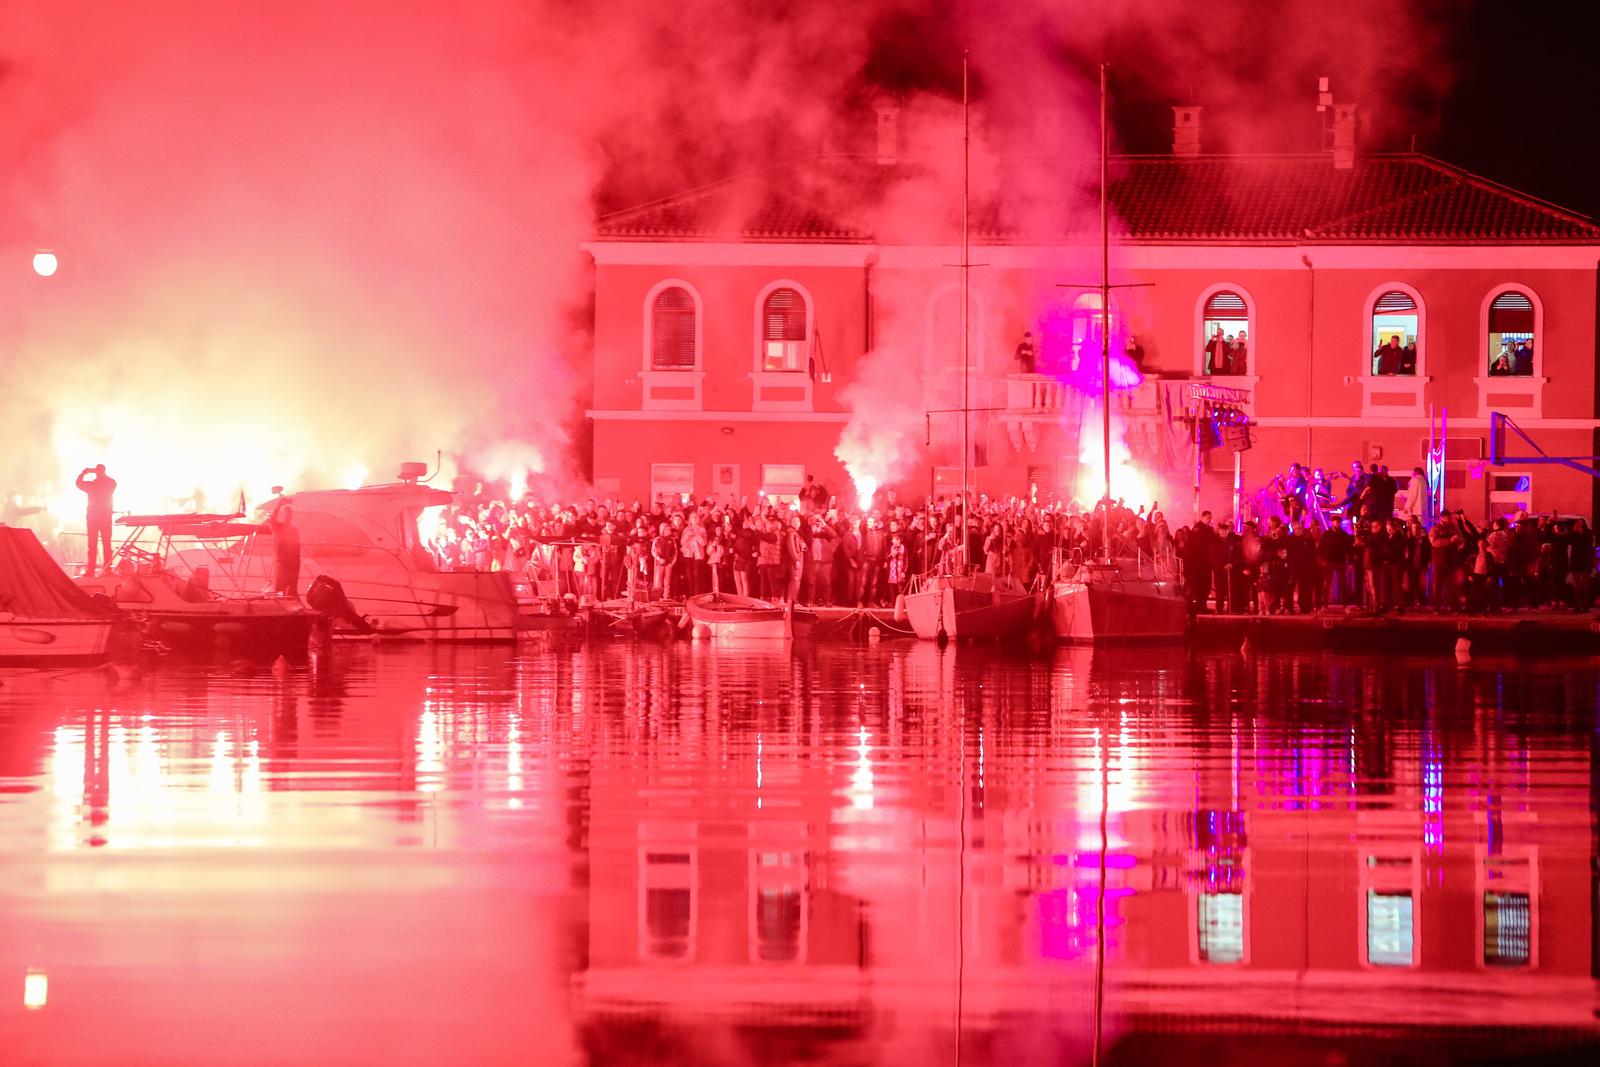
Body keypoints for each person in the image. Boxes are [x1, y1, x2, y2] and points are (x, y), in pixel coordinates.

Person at [76, 464, 117, 577]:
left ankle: (91, 570)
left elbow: (79, 483)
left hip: (93, 519)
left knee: (93, 545)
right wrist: (100, 473)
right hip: (104, 518)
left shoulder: (92, 485)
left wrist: (84, 473)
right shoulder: (110, 483)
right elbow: (113, 484)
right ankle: (107, 569)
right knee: (106, 545)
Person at [263, 500, 302, 601]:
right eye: (286, 513)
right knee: (279, 589)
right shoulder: (278, 527)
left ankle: (292, 606)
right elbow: (272, 520)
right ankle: (278, 604)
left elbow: (297, 547)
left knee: (291, 589)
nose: (288, 515)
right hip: (282, 562)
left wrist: (297, 563)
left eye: (289, 513)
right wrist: (279, 505)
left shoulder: (294, 530)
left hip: (293, 564)